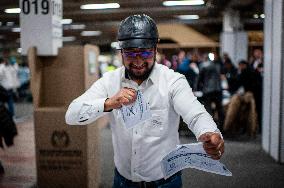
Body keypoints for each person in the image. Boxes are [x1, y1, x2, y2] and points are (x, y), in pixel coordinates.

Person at [65, 14, 224, 188]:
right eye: (131, 53)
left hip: (165, 182)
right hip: (122, 181)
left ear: (155, 49)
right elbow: (71, 114)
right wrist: (108, 103)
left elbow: (195, 114)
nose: (138, 61)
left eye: (145, 52)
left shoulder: (172, 81)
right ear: (121, 52)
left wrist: (209, 132)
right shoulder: (110, 81)